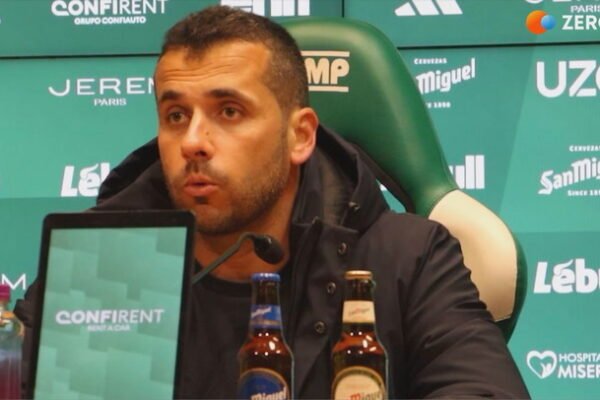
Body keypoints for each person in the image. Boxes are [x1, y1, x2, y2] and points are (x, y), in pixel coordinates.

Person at [16, 5, 530, 398]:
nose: (193, 141)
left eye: (229, 111)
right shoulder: (101, 265)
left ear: (299, 136)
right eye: (176, 116)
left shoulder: (407, 259)